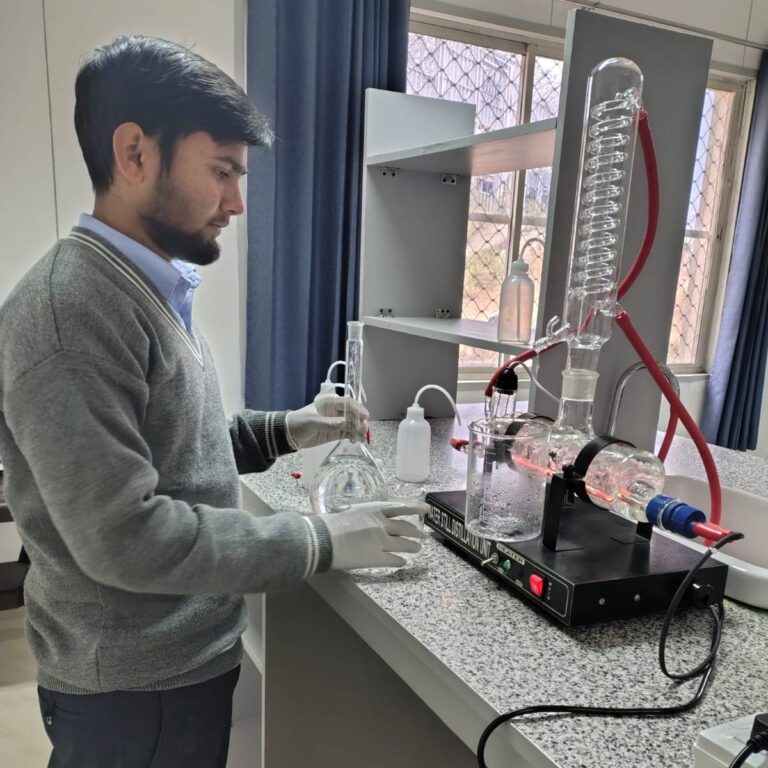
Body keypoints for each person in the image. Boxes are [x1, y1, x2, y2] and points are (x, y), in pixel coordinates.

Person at [0, 35, 425, 767]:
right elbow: (126, 537)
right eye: (222, 171)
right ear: (134, 153)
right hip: (134, 693)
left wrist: (285, 429)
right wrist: (319, 540)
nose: (236, 202)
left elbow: (171, 450)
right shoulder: (72, 313)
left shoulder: (144, 289)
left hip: (172, 668)